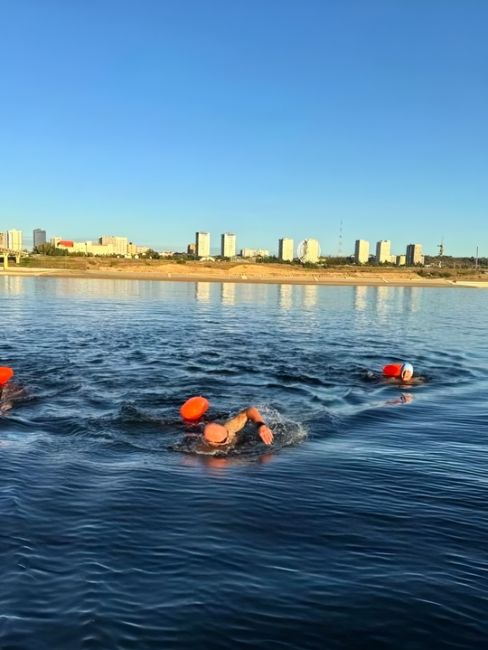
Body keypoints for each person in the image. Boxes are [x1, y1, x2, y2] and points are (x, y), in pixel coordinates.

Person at [202, 406, 274, 448]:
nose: (229, 438)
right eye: (225, 440)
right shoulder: (201, 447)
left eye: (227, 434)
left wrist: (261, 425)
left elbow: (250, 410)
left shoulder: (231, 427)